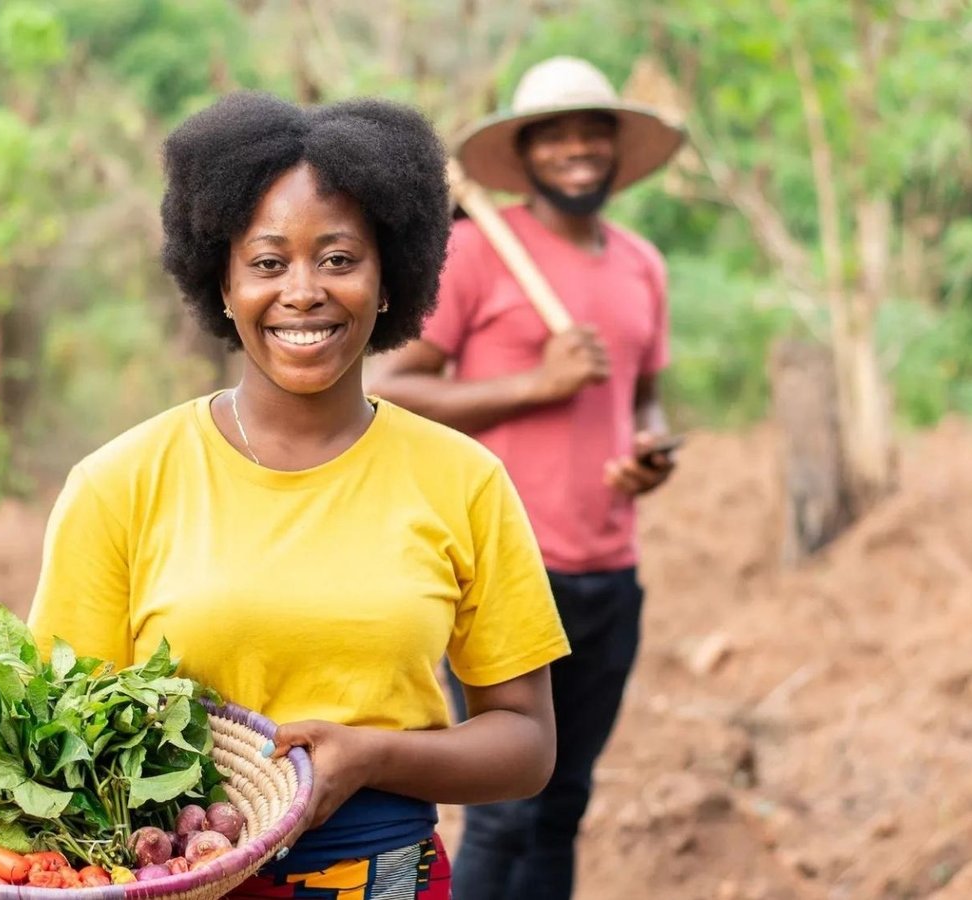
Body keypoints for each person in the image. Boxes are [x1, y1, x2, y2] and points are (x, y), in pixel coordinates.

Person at [25, 91, 571, 900]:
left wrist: (376, 755)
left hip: (385, 879)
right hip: (172, 880)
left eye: (340, 259)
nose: (304, 291)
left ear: (391, 280)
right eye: (269, 262)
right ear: (221, 282)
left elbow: (526, 745)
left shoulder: (463, 480)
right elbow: (54, 740)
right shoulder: (121, 483)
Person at [366, 56, 686, 899]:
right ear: (526, 152)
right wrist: (533, 385)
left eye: (593, 133)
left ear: (616, 150)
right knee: (506, 809)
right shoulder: (475, 252)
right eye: (557, 135)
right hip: (504, 569)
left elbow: (644, 402)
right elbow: (388, 390)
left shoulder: (643, 265)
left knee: (564, 802)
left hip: (609, 569)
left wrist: (651, 451)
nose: (578, 149)